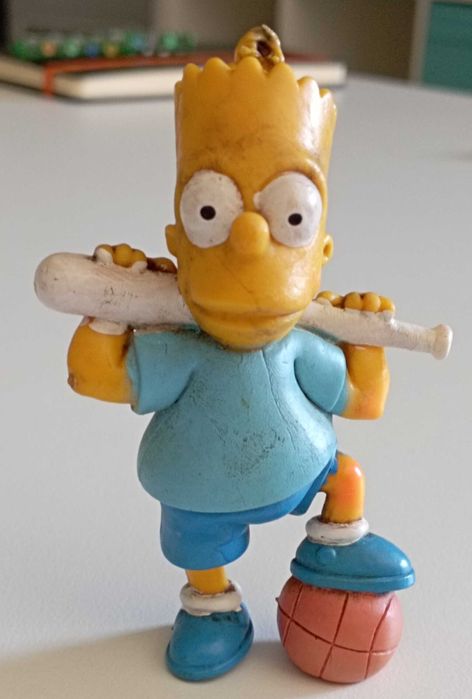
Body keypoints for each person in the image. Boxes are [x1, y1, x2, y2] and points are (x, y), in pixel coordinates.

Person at [66, 26, 413, 681]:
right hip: (199, 490)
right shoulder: (181, 350)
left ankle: (339, 544)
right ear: (177, 241)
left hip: (300, 464)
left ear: (321, 252)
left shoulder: (299, 345)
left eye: (291, 219)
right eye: (210, 214)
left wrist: (366, 338)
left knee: (344, 476)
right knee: (200, 545)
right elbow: (96, 379)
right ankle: (213, 606)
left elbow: (364, 400)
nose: (250, 242)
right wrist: (109, 311)